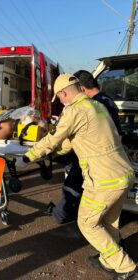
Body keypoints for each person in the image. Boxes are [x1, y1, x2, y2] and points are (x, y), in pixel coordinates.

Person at [17, 73, 137, 279]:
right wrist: (54, 154)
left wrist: (27, 158)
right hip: (123, 174)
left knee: (87, 223)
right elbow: (70, 142)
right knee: (108, 221)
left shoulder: (74, 110)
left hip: (104, 179)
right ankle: (108, 260)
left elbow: (52, 139)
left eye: (60, 98)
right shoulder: (96, 106)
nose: (61, 102)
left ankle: (126, 267)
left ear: (64, 93)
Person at [46, 70, 123, 224]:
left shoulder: (94, 104)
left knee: (73, 183)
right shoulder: (106, 100)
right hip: (109, 152)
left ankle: (62, 214)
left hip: (95, 156)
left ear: (80, 88)